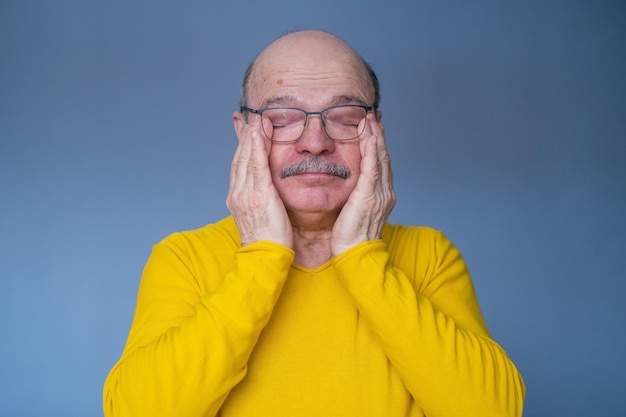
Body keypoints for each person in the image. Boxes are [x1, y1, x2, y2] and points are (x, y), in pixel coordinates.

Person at [103, 30, 525, 416]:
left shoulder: (429, 256)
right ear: (244, 131)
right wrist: (263, 257)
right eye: (283, 119)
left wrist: (362, 255)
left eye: (344, 118)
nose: (315, 142)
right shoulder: (184, 259)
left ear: (375, 130)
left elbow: (494, 410)